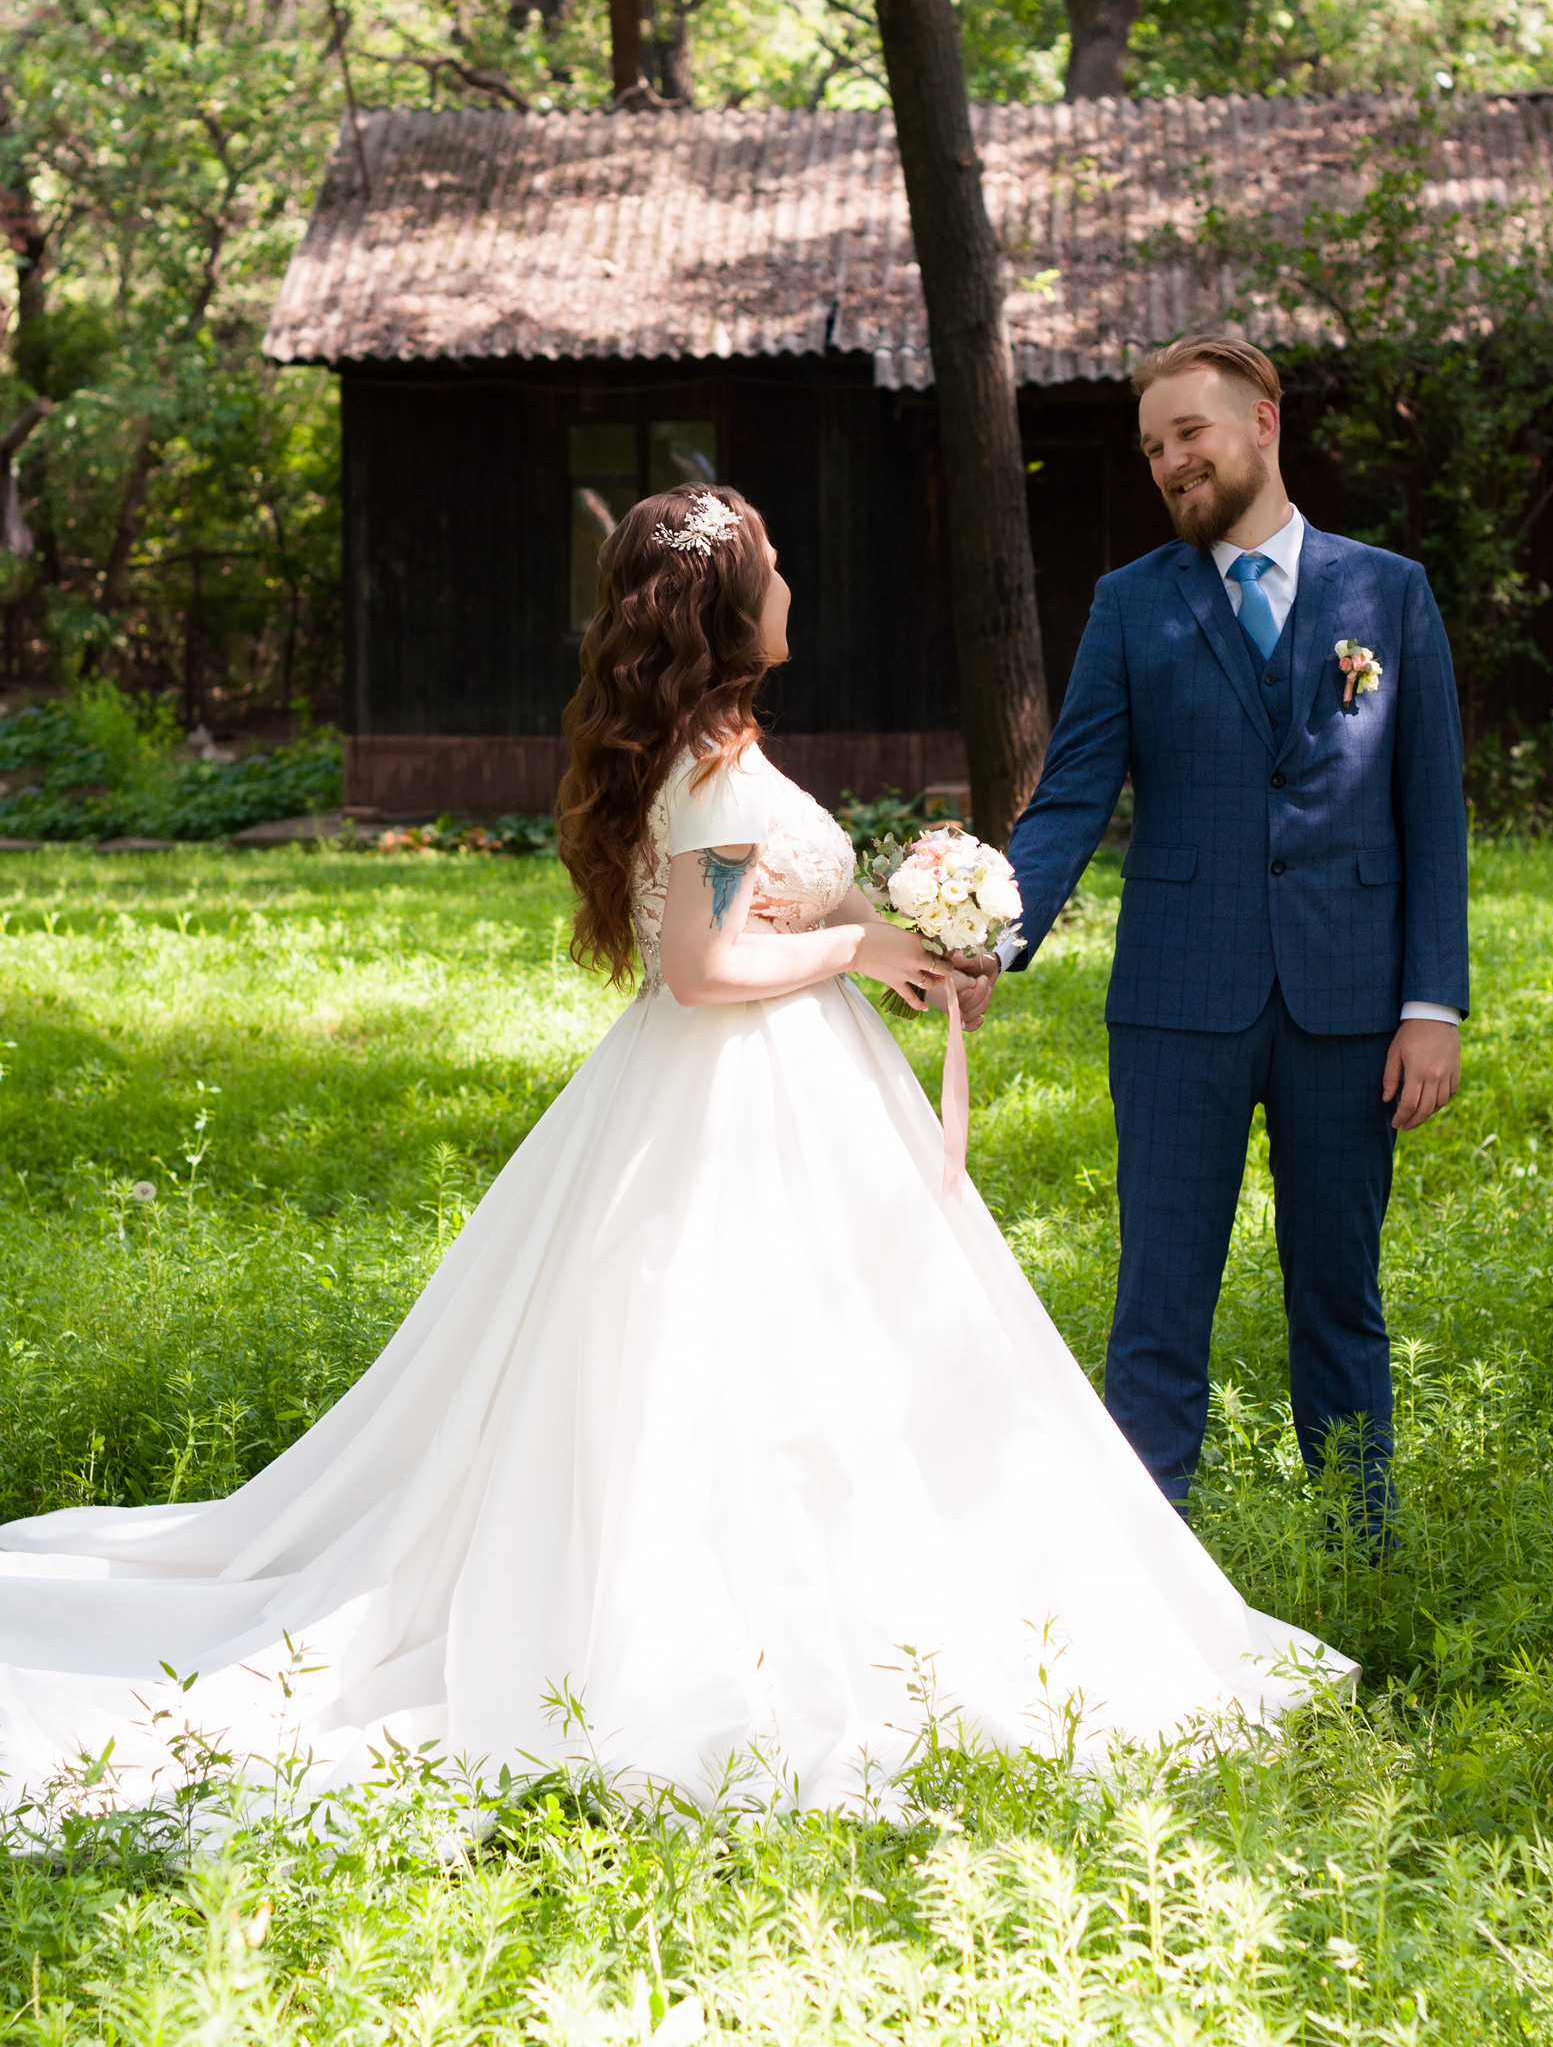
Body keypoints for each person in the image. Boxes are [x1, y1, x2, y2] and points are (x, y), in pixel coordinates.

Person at [0, 482, 1352, 1819]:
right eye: (774, 565)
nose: (791, 584)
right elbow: (704, 970)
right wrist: (862, 948)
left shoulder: (718, 749)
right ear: (727, 604)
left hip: (790, 1077)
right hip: (732, 1094)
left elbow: (774, 919)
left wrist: (906, 938)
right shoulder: (711, 779)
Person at [962, 336, 1468, 1540]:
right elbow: (1072, 796)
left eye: (1188, 432)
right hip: (1175, 1004)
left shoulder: (1387, 593)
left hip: (1351, 1006)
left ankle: (1358, 1552)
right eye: (1152, 448)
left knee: (1338, 1296)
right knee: (1158, 1304)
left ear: (1262, 423)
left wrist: (1430, 1005)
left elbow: (1430, 810)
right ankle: (1144, 1577)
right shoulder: (1130, 603)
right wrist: (991, 937)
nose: (1170, 462)